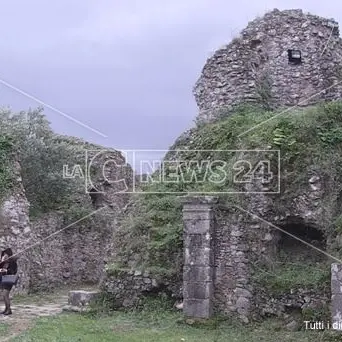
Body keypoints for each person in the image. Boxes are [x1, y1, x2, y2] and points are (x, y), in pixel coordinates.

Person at [0, 248, 18, 315]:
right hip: (4, 279)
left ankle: (9, 310)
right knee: (4, 295)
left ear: (8, 254)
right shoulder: (4, 262)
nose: (4, 256)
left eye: (6, 254)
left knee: (5, 295)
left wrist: (6, 271)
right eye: (4, 254)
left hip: (9, 280)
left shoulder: (12, 262)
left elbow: (13, 271)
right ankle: (6, 309)